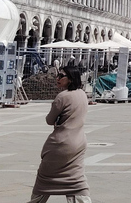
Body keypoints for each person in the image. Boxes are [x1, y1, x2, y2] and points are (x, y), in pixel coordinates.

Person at [29, 65, 91, 203]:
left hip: (60, 144)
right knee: (76, 179)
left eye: (61, 76)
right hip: (79, 143)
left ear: (70, 79)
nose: (57, 78)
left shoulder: (62, 97)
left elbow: (49, 120)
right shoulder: (82, 94)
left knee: (44, 179)